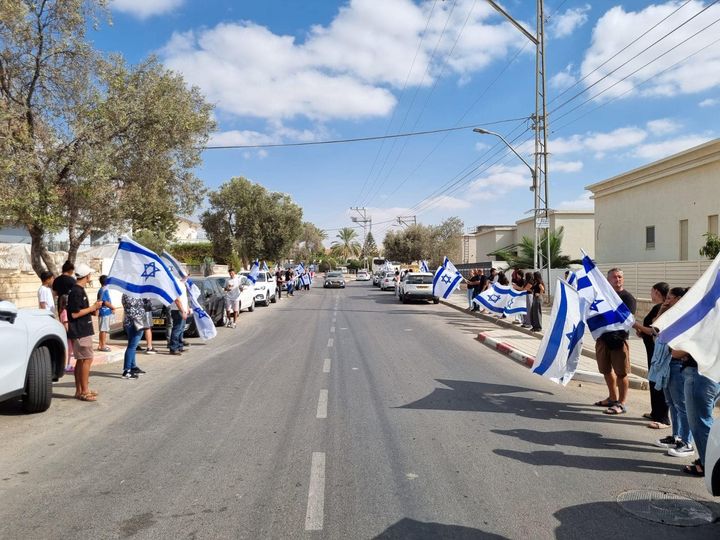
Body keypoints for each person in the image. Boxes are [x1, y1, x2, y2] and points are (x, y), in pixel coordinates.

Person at [650, 288, 694, 458]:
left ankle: (686, 441)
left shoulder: (687, 314)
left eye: (669, 298)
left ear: (679, 298)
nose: (666, 300)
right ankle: (676, 436)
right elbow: (657, 327)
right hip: (666, 363)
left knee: (681, 405)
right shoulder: (671, 312)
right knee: (672, 403)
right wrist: (663, 308)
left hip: (676, 363)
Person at [594, 268, 637, 415]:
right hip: (602, 339)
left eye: (619, 277)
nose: (617, 279)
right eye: (614, 277)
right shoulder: (602, 296)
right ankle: (612, 397)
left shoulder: (627, 298)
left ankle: (622, 402)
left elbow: (625, 319)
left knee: (622, 373)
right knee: (605, 370)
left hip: (618, 340)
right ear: (608, 280)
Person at [634, 282, 670, 428]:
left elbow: (653, 330)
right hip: (652, 350)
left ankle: (663, 417)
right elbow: (647, 331)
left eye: (651, 291)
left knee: (658, 383)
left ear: (656, 291)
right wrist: (640, 332)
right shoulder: (657, 308)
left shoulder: (661, 309)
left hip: (658, 351)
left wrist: (635, 325)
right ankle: (655, 412)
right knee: (653, 381)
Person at [66, 263, 102, 401]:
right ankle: (84, 391)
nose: (90, 277)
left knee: (82, 361)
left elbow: (82, 310)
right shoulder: (76, 291)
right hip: (80, 331)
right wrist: (92, 307)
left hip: (82, 329)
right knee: (86, 359)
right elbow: (74, 314)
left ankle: (80, 390)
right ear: (86, 276)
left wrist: (94, 309)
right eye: (89, 275)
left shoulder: (78, 290)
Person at [53, 260, 76, 371]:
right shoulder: (72, 280)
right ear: (71, 270)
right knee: (69, 337)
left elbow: (55, 294)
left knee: (65, 334)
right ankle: (67, 364)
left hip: (60, 308)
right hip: (69, 310)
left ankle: (66, 363)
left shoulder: (56, 280)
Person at [121, 294, 146, 379]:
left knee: (132, 346)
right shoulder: (130, 294)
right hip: (134, 323)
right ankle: (127, 370)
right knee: (132, 346)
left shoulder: (132, 293)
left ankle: (133, 367)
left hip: (134, 322)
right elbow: (132, 310)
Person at [169, 278, 190, 355]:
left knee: (181, 329)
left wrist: (187, 307)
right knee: (177, 329)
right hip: (177, 310)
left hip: (183, 309)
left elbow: (184, 298)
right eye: (186, 275)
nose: (187, 276)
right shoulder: (176, 284)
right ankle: (173, 348)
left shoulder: (183, 284)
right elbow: (177, 300)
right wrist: (182, 311)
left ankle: (179, 346)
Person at [96, 275, 116, 352]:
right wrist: (112, 307)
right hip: (103, 312)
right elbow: (105, 302)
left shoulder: (105, 290)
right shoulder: (102, 290)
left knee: (104, 329)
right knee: (103, 330)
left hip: (106, 312)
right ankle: (102, 345)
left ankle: (101, 344)